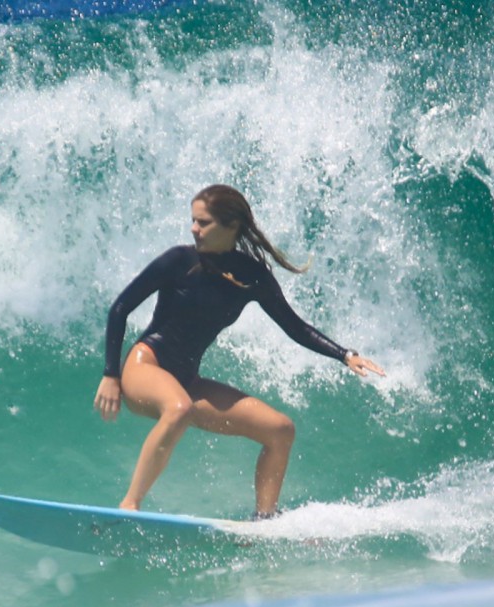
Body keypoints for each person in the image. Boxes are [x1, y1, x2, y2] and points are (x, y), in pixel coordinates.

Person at [93, 185, 385, 519]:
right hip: (146, 366)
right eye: (193, 221)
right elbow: (120, 309)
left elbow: (294, 326)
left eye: (203, 222)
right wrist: (111, 374)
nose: (194, 229)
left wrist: (345, 355)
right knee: (178, 408)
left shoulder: (252, 276)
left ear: (231, 226)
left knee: (279, 430)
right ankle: (130, 504)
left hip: (187, 380)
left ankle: (264, 521)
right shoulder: (178, 261)